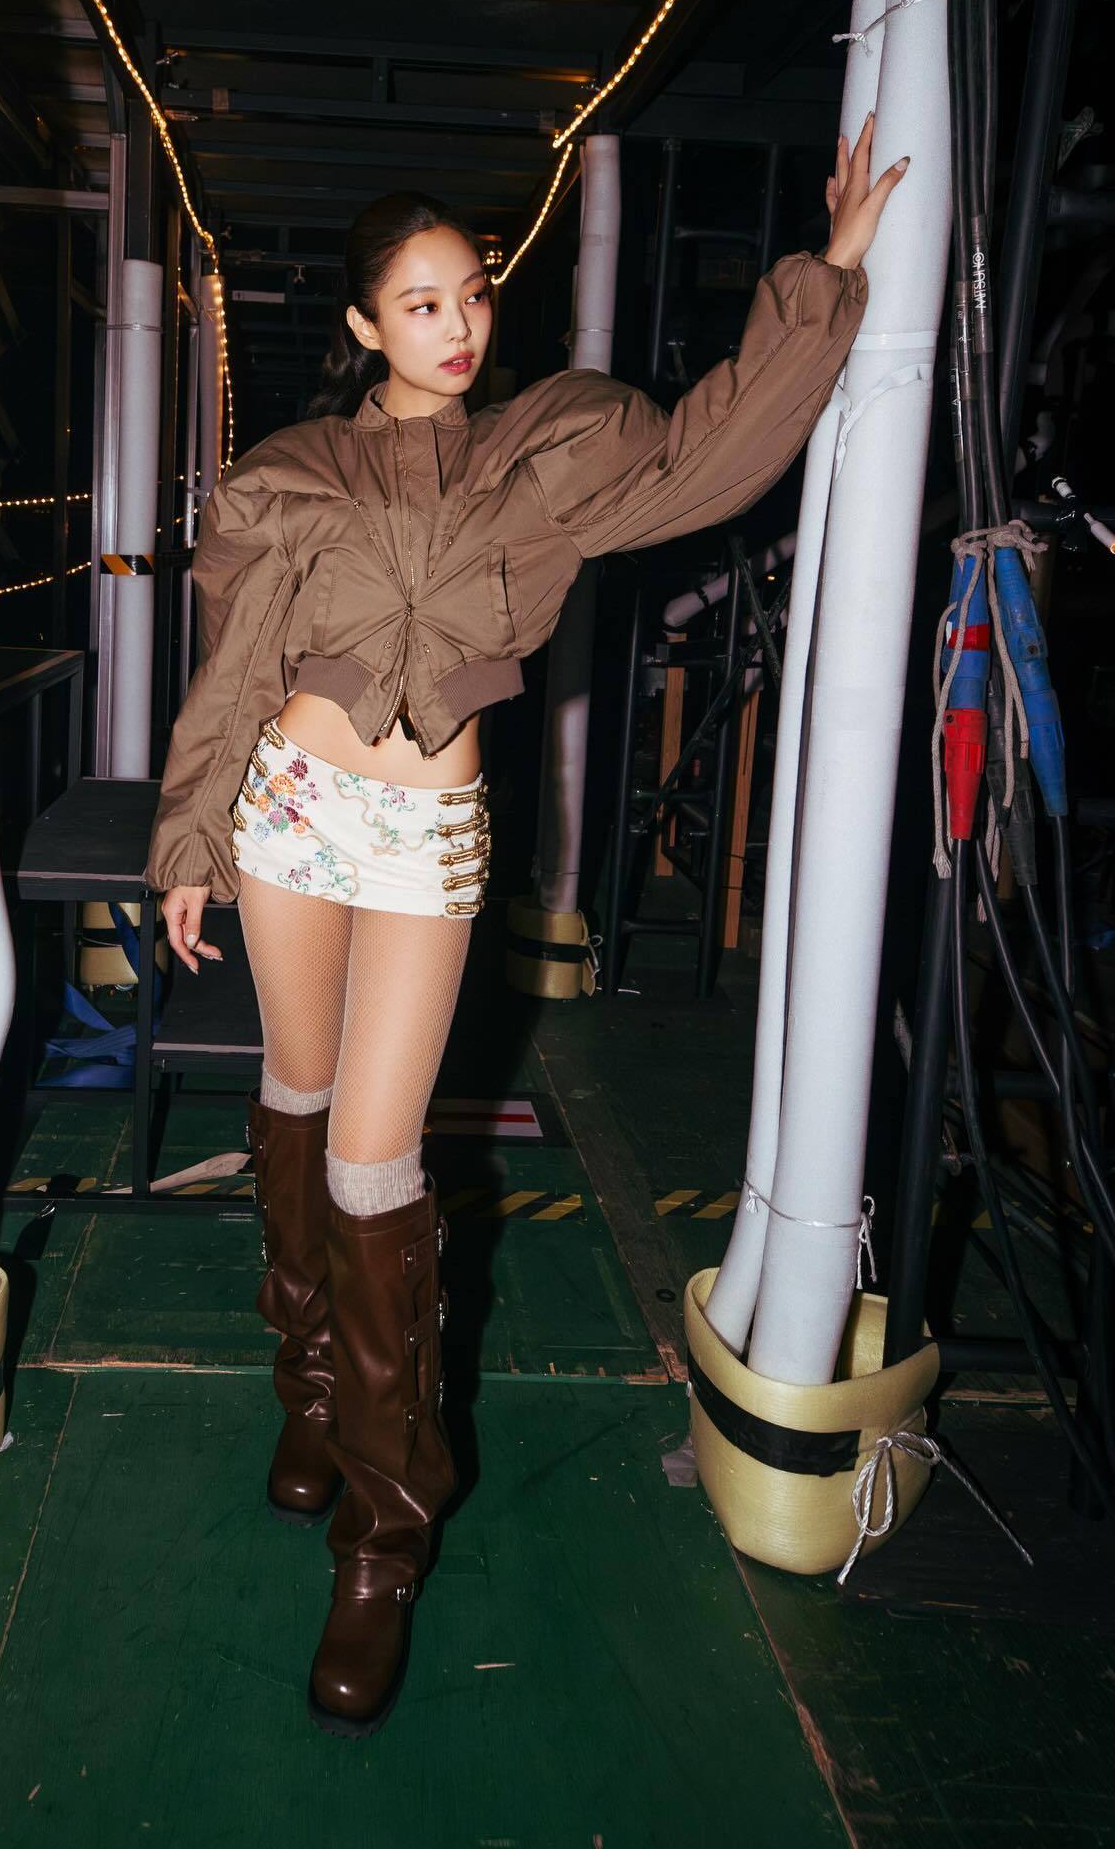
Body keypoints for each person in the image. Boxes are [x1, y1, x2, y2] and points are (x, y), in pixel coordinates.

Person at [143, 112, 906, 1738]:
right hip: (290, 815)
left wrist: (825, 278)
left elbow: (717, 448)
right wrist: (193, 834)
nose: (458, 323)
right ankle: (314, 1391)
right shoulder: (294, 472)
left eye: (473, 293)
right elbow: (235, 667)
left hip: (425, 837)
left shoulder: (552, 448)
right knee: (293, 1099)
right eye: (421, 303)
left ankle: (383, 1536)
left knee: (376, 1160)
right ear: (366, 326)